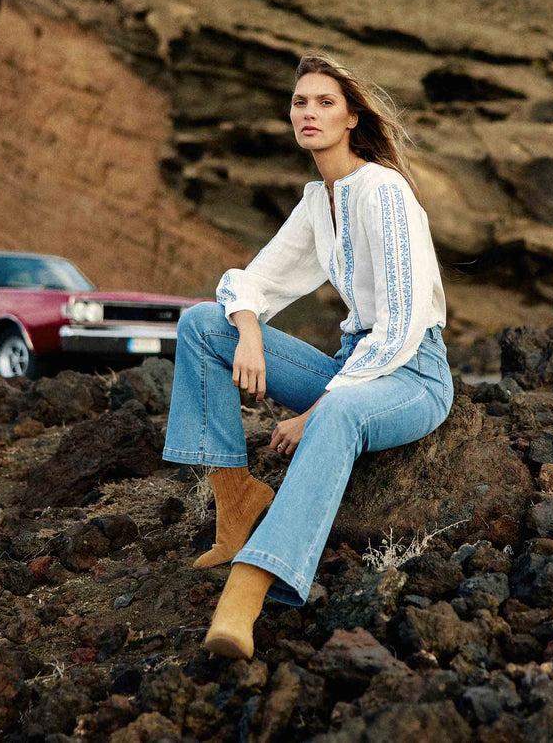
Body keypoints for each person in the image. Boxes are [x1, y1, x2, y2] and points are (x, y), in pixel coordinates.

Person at [161, 52, 453, 660]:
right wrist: (245, 330)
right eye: (300, 102)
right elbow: (254, 280)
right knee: (199, 324)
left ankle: (248, 589)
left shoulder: (384, 191)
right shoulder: (318, 201)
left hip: (413, 372)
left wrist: (316, 409)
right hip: (354, 361)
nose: (309, 113)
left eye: (325, 102)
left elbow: (400, 324)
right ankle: (236, 501)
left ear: (351, 119)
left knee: (339, 418)